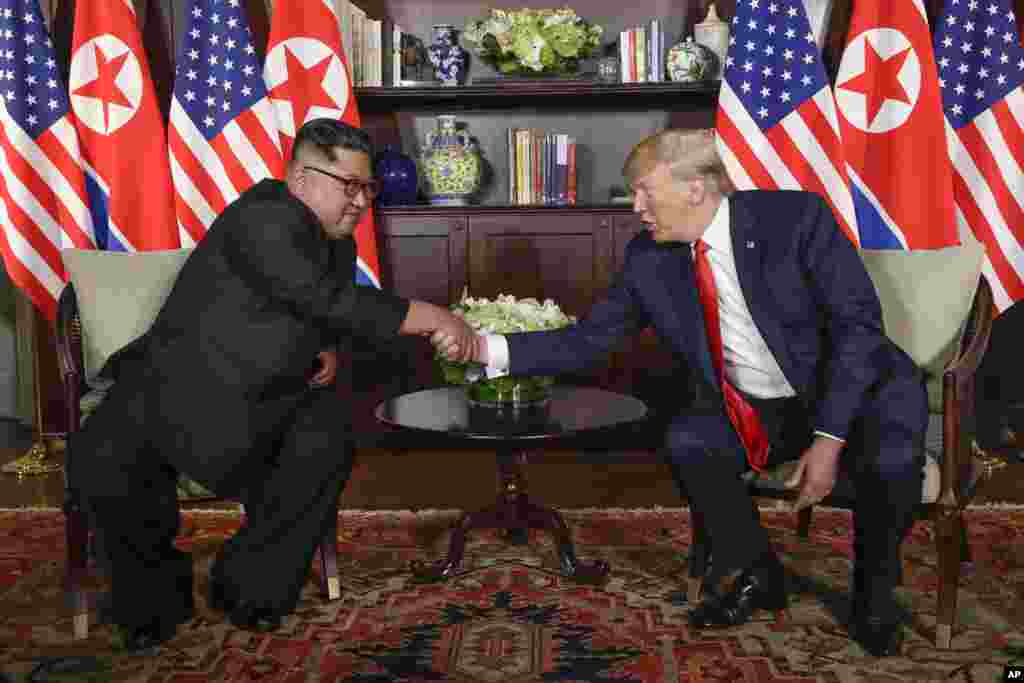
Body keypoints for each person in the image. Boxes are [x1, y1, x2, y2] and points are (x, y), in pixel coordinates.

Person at [433, 129, 926, 657]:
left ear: (696, 188)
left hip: (860, 394)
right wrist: (484, 350)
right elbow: (592, 339)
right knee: (691, 440)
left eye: (645, 191)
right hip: (762, 407)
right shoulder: (650, 256)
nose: (636, 207)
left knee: (891, 458)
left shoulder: (796, 220)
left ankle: (875, 596)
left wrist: (829, 439)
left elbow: (858, 329)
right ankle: (760, 572)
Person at [69, 118, 478, 651]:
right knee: (109, 457)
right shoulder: (265, 215)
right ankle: (154, 600)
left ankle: (248, 589)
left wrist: (324, 344)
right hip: (173, 384)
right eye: (347, 185)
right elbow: (320, 295)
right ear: (300, 177)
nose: (360, 201)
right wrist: (435, 317)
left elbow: (312, 308)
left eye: (367, 187)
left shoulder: (335, 241)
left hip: (267, 393)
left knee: (328, 437)